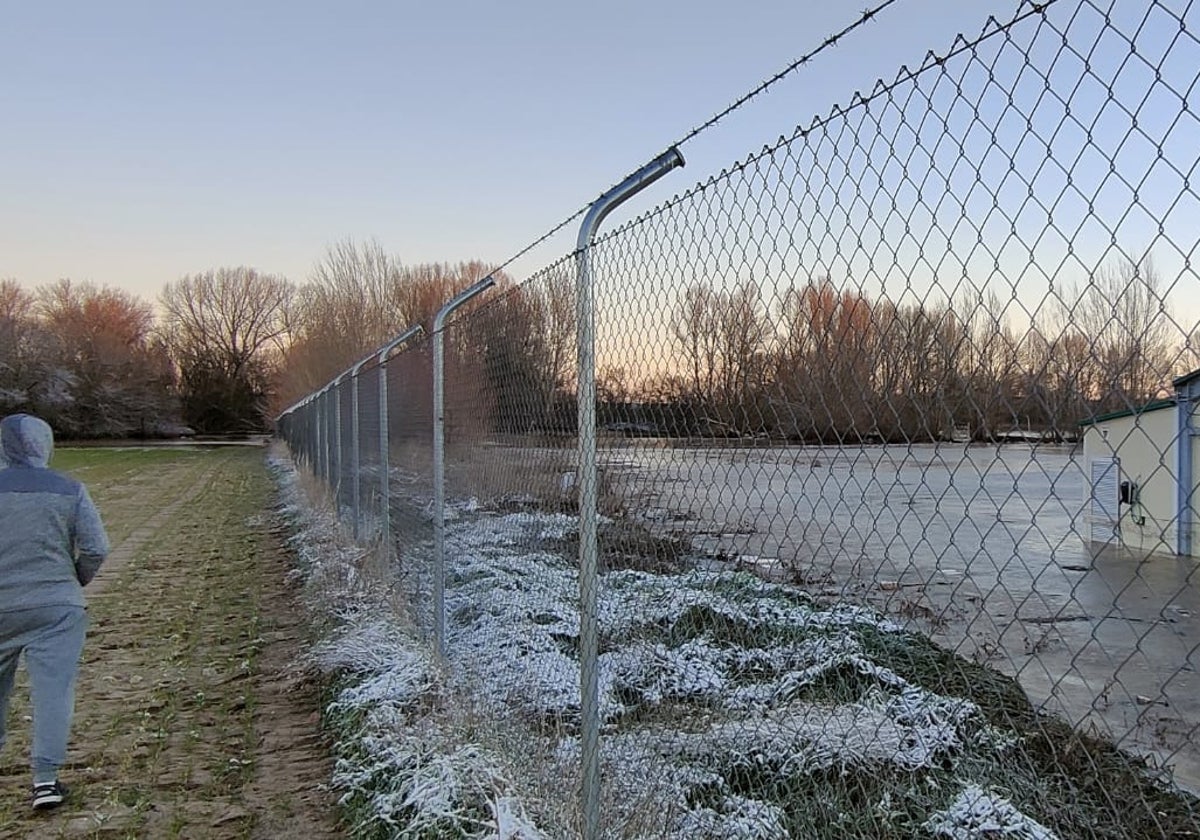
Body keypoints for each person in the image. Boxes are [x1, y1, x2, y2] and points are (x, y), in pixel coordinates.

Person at [0, 414, 109, 811]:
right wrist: (71, 582)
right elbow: (96, 548)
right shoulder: (70, 489)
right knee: (53, 692)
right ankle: (45, 781)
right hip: (57, 607)